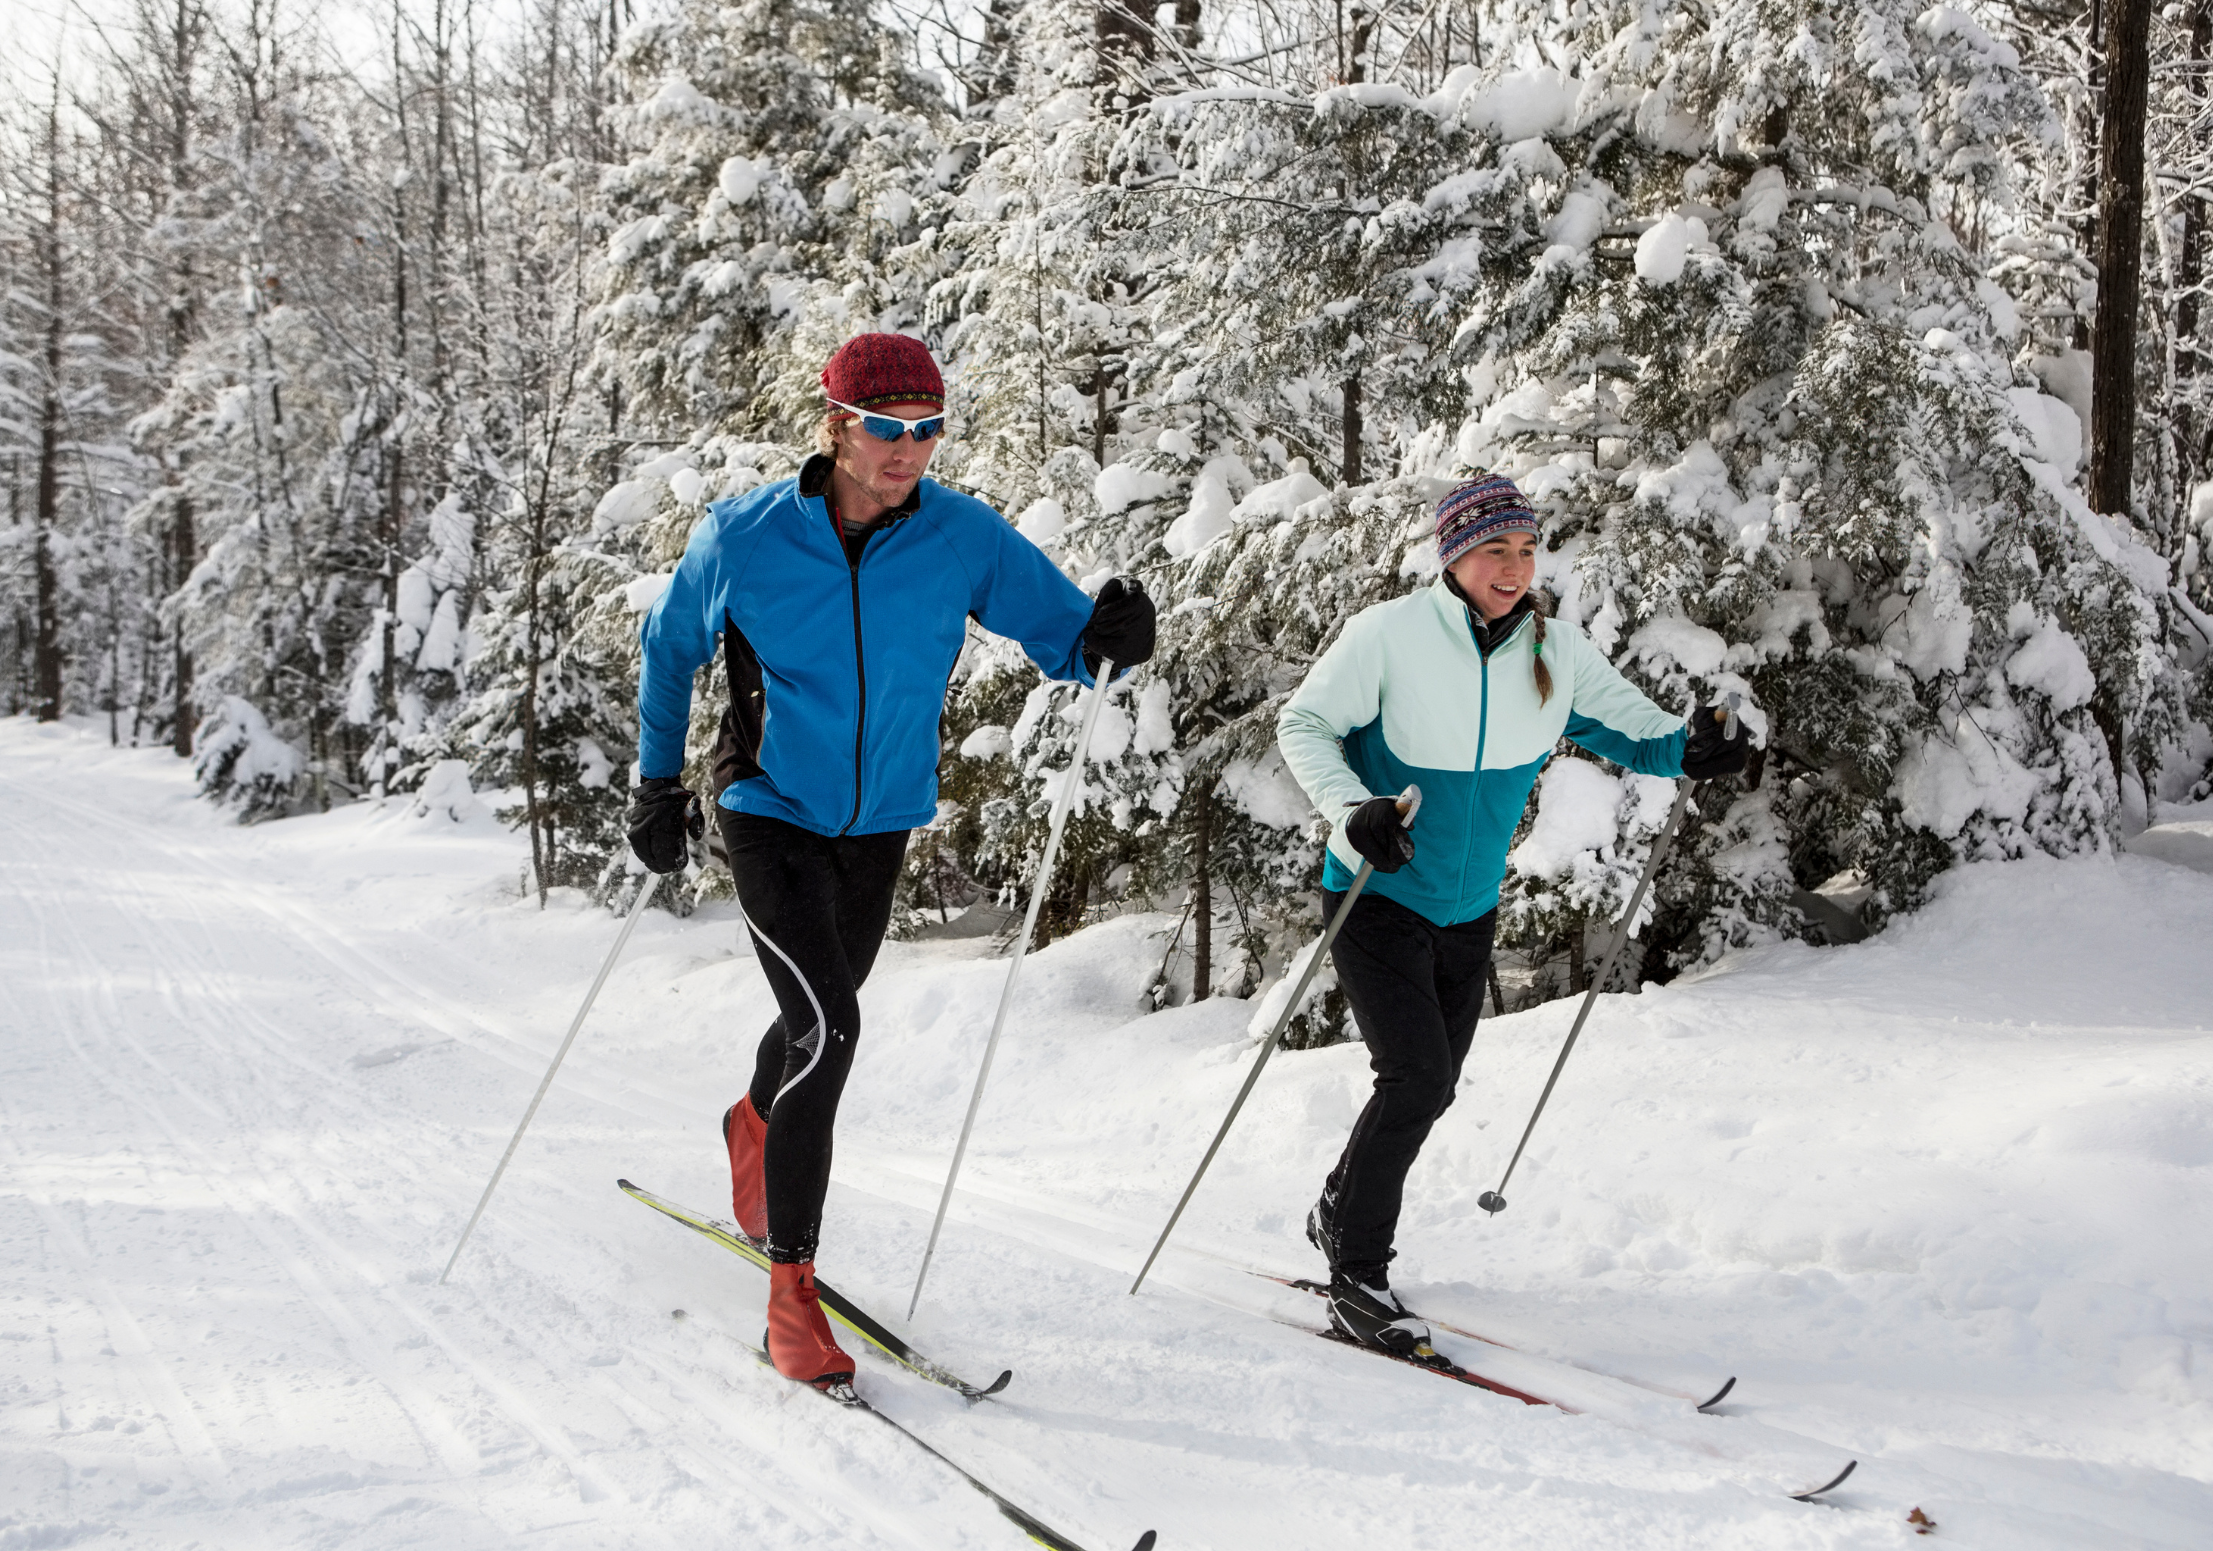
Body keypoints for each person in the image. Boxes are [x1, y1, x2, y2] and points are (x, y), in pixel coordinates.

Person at [626, 333, 1156, 1393]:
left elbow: (1065, 639)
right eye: (886, 428)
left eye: (926, 429)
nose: (908, 449)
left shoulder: (960, 536)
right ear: (836, 426)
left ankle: (752, 1118)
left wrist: (1113, 635)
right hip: (767, 801)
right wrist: (655, 785)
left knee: (812, 1017)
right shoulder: (747, 536)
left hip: (881, 821)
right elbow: (670, 646)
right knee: (831, 1024)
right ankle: (791, 1299)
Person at [1273, 472, 1749, 1356]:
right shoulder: (1389, 636)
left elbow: (1639, 732)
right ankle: (1358, 1272)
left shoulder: (1553, 650)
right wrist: (1352, 809)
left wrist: (1699, 746)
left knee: (1437, 1079)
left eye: (1527, 550)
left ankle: (1340, 1204)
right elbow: (1303, 725)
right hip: (1374, 891)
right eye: (1497, 549)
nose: (1515, 566)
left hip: (1469, 905)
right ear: (1454, 554)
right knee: (1414, 1075)